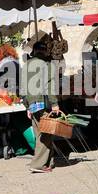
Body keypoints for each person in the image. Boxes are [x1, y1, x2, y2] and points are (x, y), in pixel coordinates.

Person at [25, 36, 67, 173]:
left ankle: (47, 161)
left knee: (40, 133)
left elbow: (22, 87)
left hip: (32, 103)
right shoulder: (46, 65)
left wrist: (27, 106)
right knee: (46, 133)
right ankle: (38, 164)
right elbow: (50, 85)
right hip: (42, 102)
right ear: (44, 52)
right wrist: (55, 103)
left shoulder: (26, 65)